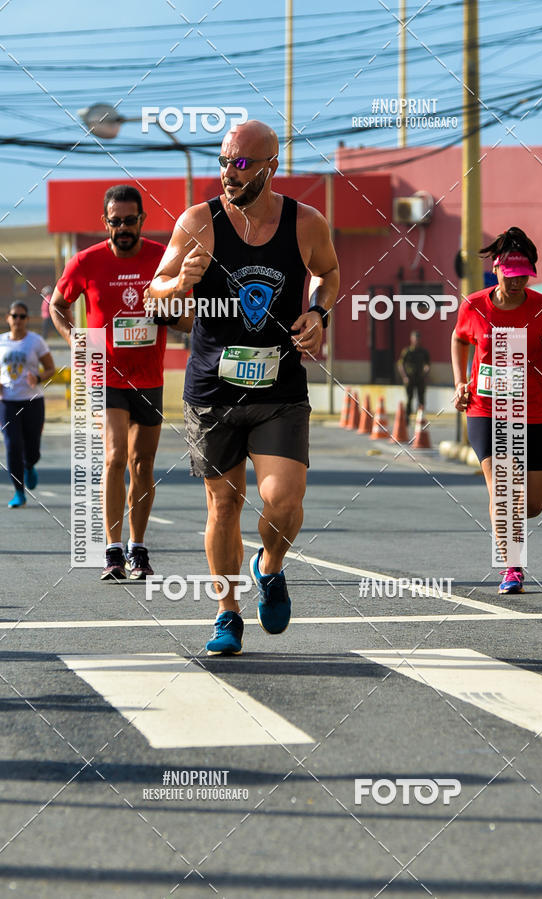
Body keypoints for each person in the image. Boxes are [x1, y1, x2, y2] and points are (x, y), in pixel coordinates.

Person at [147, 119, 339, 655]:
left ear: (269, 167)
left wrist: (318, 312)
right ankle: (226, 612)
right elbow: (152, 294)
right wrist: (177, 283)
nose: (227, 173)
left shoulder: (305, 222)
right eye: (222, 160)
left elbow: (327, 271)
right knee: (222, 506)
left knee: (283, 498)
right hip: (212, 389)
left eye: (239, 163)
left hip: (280, 387)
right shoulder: (197, 222)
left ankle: (270, 565)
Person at [451, 226, 542, 594]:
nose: (518, 282)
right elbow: (459, 339)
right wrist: (461, 383)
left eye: (525, 275)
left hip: (534, 412)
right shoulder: (474, 305)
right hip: (486, 410)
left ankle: (508, 527)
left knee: (534, 503)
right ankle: (512, 567)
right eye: (511, 276)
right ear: (497, 271)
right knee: (504, 491)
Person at [50, 185, 167, 581]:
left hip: (150, 376)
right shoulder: (86, 262)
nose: (122, 229)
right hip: (105, 372)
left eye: (129, 221)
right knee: (116, 456)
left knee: (143, 463)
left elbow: (186, 307)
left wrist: (172, 311)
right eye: (115, 222)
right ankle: (113, 551)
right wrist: (75, 341)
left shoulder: (161, 257)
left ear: (141, 220)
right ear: (105, 223)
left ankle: (138, 548)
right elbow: (58, 305)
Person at [0, 301, 55, 508]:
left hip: (33, 401)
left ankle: (30, 464)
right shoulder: (1, 342)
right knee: (12, 445)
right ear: (8, 318)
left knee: (32, 447)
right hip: (7, 402)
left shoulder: (36, 341)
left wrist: (39, 377)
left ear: (28, 319)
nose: (18, 320)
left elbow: (51, 368)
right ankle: (18, 492)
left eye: (22, 316)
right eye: (15, 316)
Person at [398, 329, 430, 419]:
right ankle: (407, 418)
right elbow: (400, 364)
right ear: (411, 339)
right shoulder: (407, 351)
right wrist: (404, 377)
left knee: (421, 399)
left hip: (420, 378)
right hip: (410, 378)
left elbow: (427, 364)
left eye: (418, 339)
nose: (416, 341)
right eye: (415, 339)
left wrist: (426, 373)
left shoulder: (423, 352)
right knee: (409, 398)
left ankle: (421, 418)